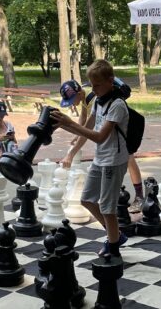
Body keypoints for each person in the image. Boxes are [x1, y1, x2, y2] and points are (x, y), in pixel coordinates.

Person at [50, 60, 130, 257]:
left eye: (97, 85)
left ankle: (114, 249)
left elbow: (100, 137)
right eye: (92, 85)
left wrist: (70, 123)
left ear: (110, 81)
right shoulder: (99, 102)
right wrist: (62, 124)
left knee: (107, 207)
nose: (93, 89)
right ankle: (115, 235)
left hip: (114, 160)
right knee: (86, 199)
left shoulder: (117, 105)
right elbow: (86, 130)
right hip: (100, 158)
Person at [60, 79, 146, 213]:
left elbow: (92, 133)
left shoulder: (94, 98)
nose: (72, 104)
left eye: (72, 100)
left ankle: (139, 196)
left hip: (119, 130)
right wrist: (77, 134)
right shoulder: (85, 97)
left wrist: (71, 154)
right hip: (110, 134)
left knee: (128, 157)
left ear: (79, 93)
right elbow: (84, 120)